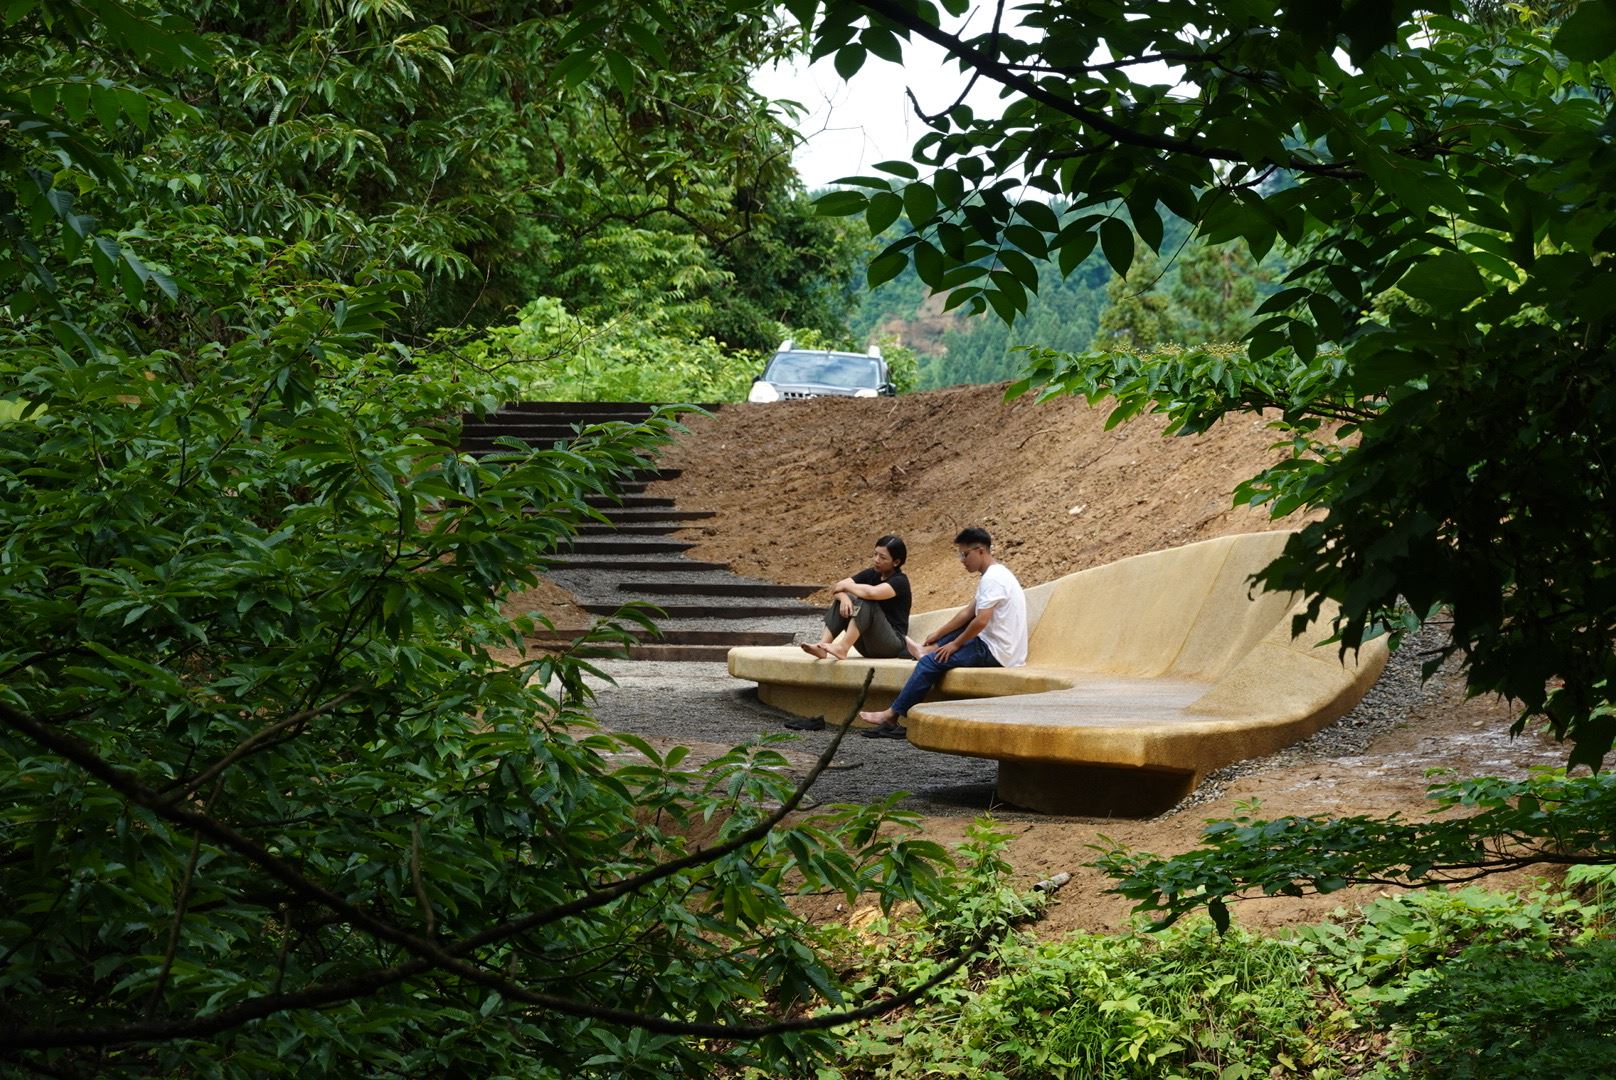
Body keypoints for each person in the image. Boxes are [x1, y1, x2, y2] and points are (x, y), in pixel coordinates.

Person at [858, 526, 1027, 739]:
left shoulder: (993, 579)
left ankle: (892, 716)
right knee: (947, 641)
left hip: (997, 651)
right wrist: (938, 635)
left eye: (965, 554)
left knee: (930, 663)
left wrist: (955, 645)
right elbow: (967, 613)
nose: (962, 560)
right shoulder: (995, 574)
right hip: (998, 645)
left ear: (981, 551)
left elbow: (981, 620)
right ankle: (926, 649)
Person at [801, 534, 913, 661]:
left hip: (891, 644)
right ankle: (821, 647)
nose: (876, 559)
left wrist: (845, 587)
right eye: (875, 554)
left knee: (866, 601)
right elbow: (836, 588)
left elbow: (872, 593)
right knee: (843, 599)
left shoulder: (900, 581)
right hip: (867, 645)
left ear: (896, 562)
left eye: (882, 557)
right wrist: (844, 598)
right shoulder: (872, 573)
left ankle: (842, 648)